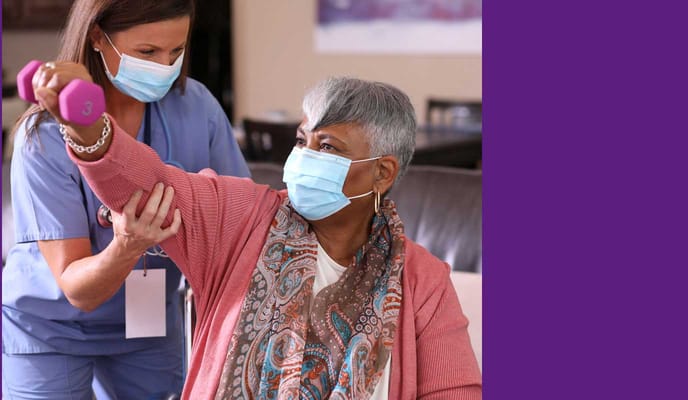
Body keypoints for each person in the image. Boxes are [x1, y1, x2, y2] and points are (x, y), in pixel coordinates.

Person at [30, 66, 482, 399]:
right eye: (303, 140)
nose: (304, 158)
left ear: (382, 173)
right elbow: (150, 185)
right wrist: (86, 125)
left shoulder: (422, 280)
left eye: (327, 147)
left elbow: (456, 389)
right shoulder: (241, 219)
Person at [1, 0, 250, 398]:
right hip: (51, 328)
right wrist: (127, 246)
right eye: (147, 53)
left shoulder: (195, 107)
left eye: (176, 51)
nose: (164, 67)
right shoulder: (45, 135)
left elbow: (242, 218)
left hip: (145, 321)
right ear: (98, 37)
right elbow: (78, 290)